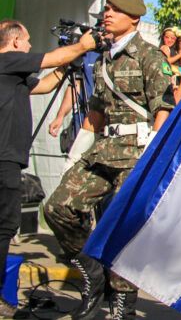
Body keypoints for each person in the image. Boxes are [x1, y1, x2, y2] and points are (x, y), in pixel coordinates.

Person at [43, 0, 174, 320]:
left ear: (134, 18)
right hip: (104, 149)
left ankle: (122, 304)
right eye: (108, 8)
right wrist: (76, 153)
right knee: (58, 207)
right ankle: (91, 271)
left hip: (137, 153)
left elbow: (164, 107)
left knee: (120, 224)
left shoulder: (149, 56)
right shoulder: (102, 60)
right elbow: (97, 113)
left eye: (116, 9)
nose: (108, 13)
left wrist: (152, 154)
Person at [0, 20, 97, 319]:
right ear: (15, 42)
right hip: (4, 159)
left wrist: (71, 62)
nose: (30, 46)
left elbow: (44, 84)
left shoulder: (12, 73)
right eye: (27, 40)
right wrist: (83, 45)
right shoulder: (7, 59)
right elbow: (50, 58)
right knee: (3, 228)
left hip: (8, 158)